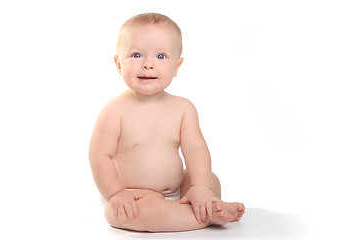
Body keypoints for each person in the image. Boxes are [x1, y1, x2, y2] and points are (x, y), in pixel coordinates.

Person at [89, 12, 245, 232]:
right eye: (136, 55)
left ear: (177, 67)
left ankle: (201, 202)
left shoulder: (183, 108)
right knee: (131, 214)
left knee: (208, 178)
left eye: (161, 56)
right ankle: (205, 217)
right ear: (118, 63)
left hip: (179, 190)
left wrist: (200, 187)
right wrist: (115, 193)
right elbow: (99, 155)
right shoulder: (115, 110)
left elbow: (195, 148)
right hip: (134, 195)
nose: (148, 65)